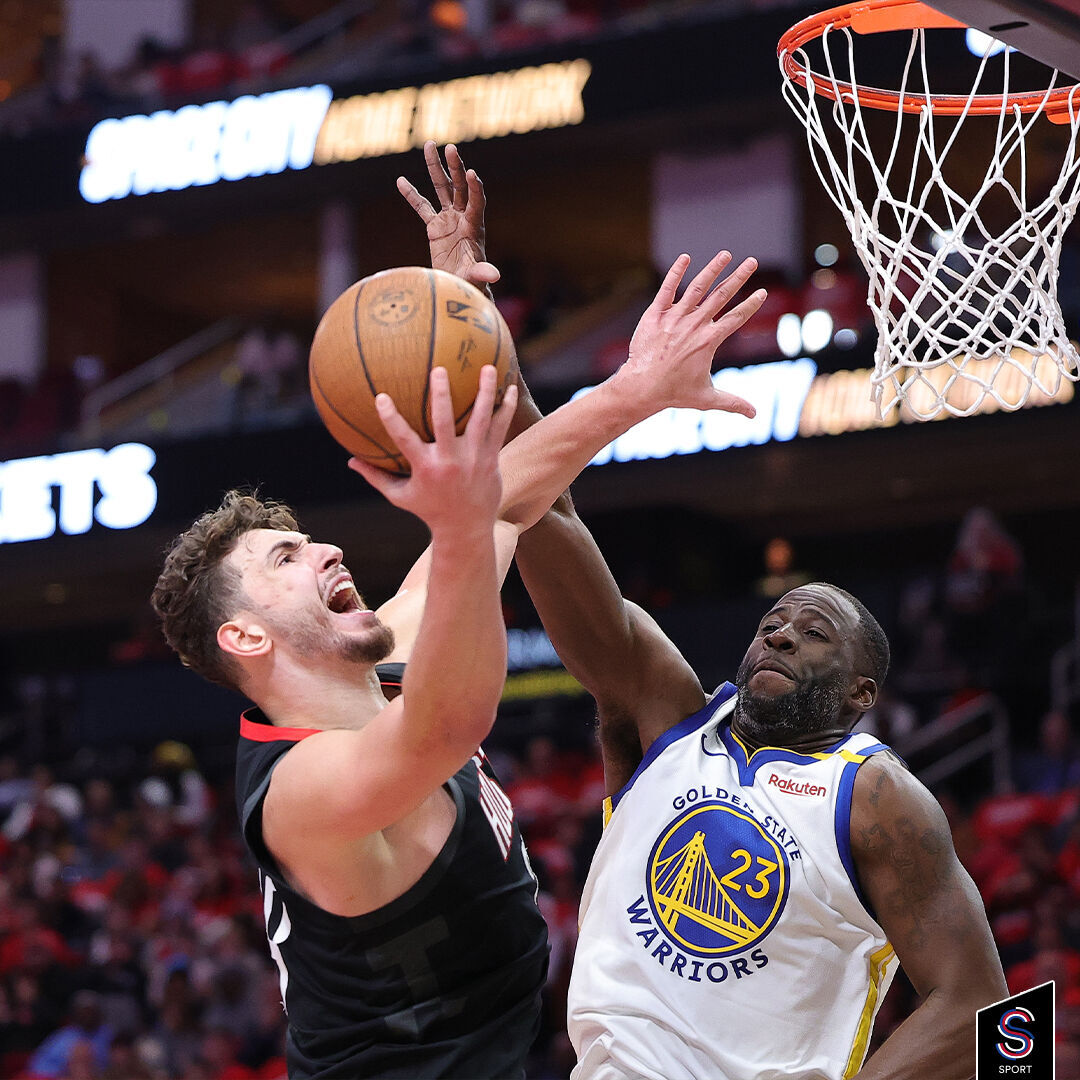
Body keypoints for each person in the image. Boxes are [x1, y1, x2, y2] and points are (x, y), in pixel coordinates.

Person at [398, 142, 1008, 1080]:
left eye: (815, 633)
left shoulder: (878, 798)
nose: (782, 630)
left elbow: (989, 1015)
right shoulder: (664, 716)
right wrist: (472, 318)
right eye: (776, 619)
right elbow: (542, 506)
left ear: (859, 693)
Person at [152, 155, 768, 1078]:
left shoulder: (389, 652)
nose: (327, 551)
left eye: (312, 541)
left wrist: (624, 385)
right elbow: (448, 721)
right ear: (245, 637)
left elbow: (511, 496)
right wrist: (461, 519)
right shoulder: (298, 796)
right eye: (287, 559)